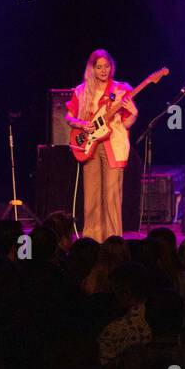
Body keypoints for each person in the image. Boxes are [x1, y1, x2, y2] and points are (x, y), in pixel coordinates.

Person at [67, 50, 138, 240]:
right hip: (89, 146)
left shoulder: (121, 90)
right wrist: (82, 124)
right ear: (92, 68)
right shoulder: (81, 90)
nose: (103, 70)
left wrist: (134, 113)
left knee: (112, 197)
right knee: (91, 198)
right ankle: (91, 241)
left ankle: (113, 242)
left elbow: (125, 123)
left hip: (113, 145)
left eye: (107, 66)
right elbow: (68, 116)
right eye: (99, 67)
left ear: (111, 66)